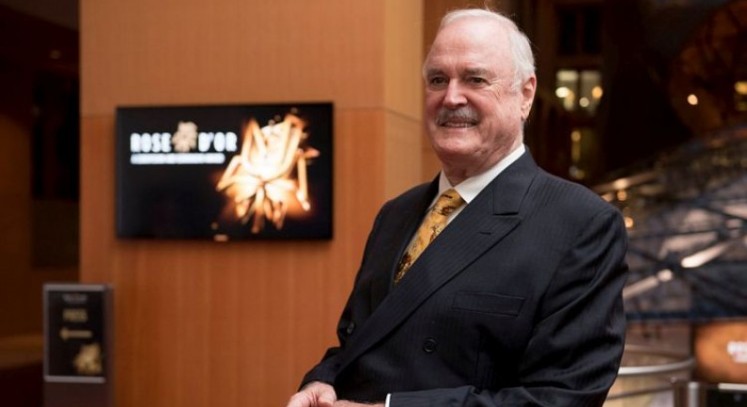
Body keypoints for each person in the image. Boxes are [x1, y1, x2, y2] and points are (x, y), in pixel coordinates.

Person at [287, 8, 628, 407]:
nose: (451, 97)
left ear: (525, 95)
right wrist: (323, 381)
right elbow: (362, 342)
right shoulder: (395, 214)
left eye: (475, 79)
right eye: (437, 80)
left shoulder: (580, 224)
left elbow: (562, 398)